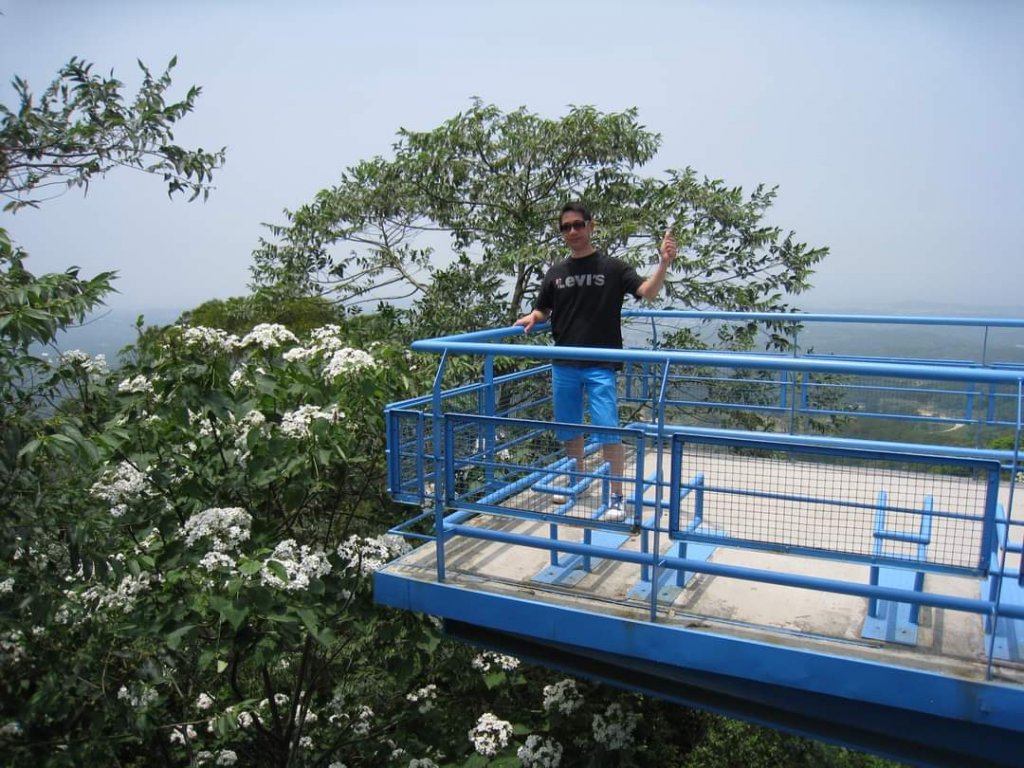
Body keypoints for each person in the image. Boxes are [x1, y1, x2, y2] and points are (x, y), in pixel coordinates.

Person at [514, 202, 677, 521]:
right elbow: (544, 308)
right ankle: (577, 481)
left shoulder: (612, 267)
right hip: (564, 362)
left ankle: (617, 496)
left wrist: (664, 263)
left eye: (578, 225)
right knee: (570, 429)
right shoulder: (557, 272)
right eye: (566, 227)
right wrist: (533, 316)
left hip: (601, 363)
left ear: (591, 226)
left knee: (607, 430)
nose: (572, 231)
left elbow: (647, 292)